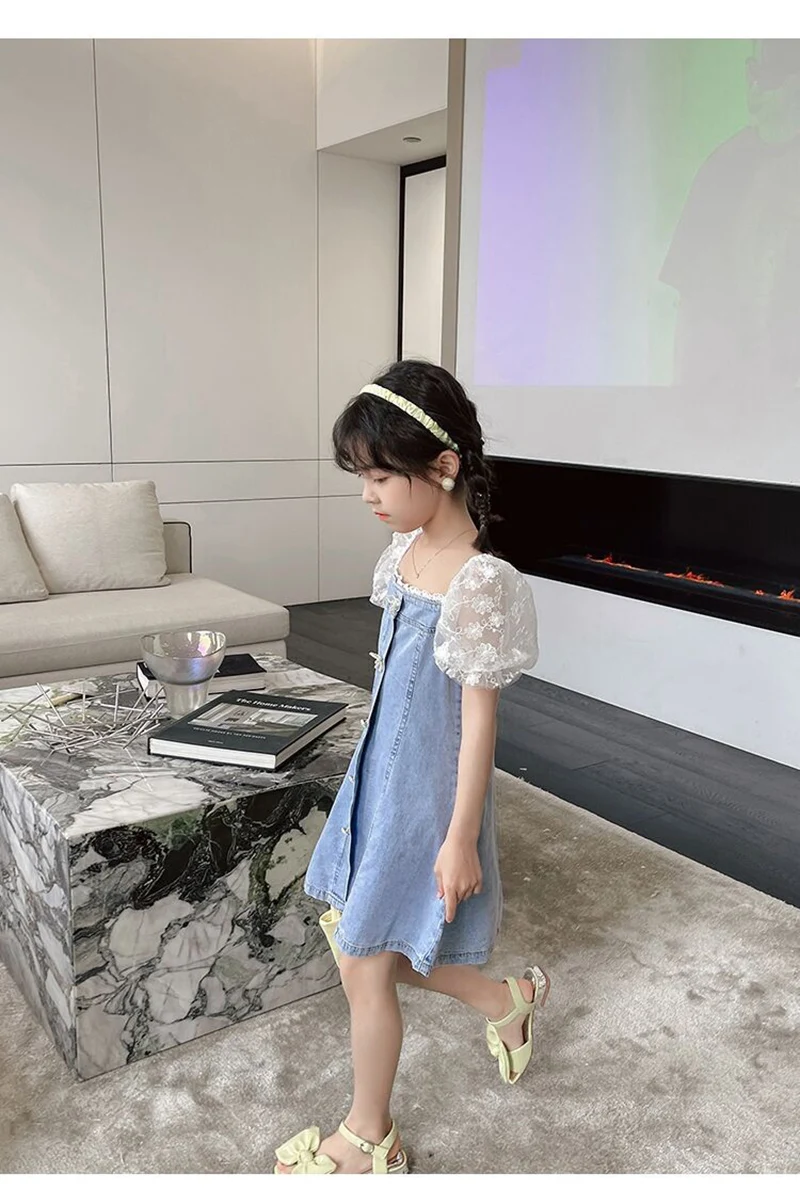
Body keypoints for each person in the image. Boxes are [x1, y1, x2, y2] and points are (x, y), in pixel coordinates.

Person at [273, 360, 546, 1176]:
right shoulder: (404, 552)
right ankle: (505, 1001)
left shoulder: (479, 581)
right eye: (361, 475)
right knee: (371, 943)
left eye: (382, 475)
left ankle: (370, 1137)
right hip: (379, 779)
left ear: (445, 465)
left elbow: (478, 725)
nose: (368, 493)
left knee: (365, 959)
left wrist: (460, 838)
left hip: (426, 798)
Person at [660, 39, 800, 388]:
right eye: (754, 68)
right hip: (735, 397)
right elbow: (692, 312)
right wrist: (686, 402)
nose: (756, 82)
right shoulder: (725, 169)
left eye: (773, 69)